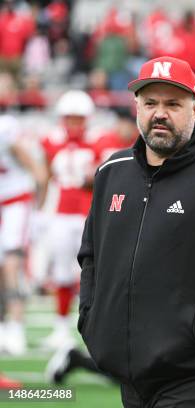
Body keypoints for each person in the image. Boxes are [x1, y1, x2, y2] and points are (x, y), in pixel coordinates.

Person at [77, 56, 195, 407]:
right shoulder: (112, 171)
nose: (159, 113)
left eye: (173, 104)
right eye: (150, 103)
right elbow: (91, 254)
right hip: (133, 367)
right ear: (136, 106)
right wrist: (91, 318)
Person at [39, 90, 98, 350]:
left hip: (89, 214)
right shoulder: (50, 141)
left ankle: (96, 328)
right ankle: (61, 328)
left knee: (96, 272)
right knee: (62, 273)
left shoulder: (99, 140)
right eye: (69, 118)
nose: (74, 123)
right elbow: (44, 175)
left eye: (79, 118)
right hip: (61, 214)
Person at [0, 111, 47, 355]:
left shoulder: (5, 127)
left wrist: (38, 210)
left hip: (15, 202)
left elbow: (37, 169)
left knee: (11, 265)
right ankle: (3, 325)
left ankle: (16, 326)